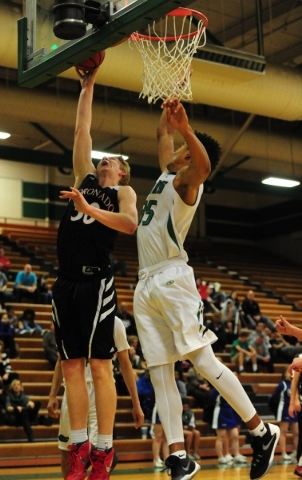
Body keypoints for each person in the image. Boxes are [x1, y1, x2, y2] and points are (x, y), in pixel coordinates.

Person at [133, 97, 280, 480]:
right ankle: (179, 458)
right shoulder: (168, 173)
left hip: (171, 277)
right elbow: (161, 133)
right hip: (146, 281)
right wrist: (169, 111)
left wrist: (186, 130)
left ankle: (261, 432)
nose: (176, 153)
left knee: (203, 361)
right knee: (160, 371)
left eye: (182, 150)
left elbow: (204, 165)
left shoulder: (187, 182)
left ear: (187, 155)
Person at [52, 67, 137, 480]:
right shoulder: (83, 177)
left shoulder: (122, 193)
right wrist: (89, 84)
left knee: (101, 366)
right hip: (65, 281)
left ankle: (104, 448)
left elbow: (130, 225)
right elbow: (81, 129)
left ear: (122, 172)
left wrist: (89, 210)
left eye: (115, 160)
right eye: (105, 156)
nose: (106, 159)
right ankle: (80, 445)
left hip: (96, 282)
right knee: (71, 367)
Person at [47, 317, 144, 479]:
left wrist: (136, 403)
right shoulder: (69, 317)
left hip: (101, 391)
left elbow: (125, 364)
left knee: (97, 452)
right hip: (73, 390)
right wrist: (52, 394)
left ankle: (107, 461)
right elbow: (61, 360)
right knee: (67, 452)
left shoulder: (115, 322)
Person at [269, 367, 298, 463]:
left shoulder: (296, 384)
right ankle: (283, 453)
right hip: (284, 410)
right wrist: (276, 411)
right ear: (285, 374)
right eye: (289, 372)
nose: (291, 374)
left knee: (296, 432)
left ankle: (296, 451)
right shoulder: (282, 385)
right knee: (284, 432)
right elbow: (274, 399)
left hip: (294, 411)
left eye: (292, 372)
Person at [150, 404, 169, 469]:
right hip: (160, 407)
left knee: (167, 436)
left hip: (169, 408)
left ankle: (166, 458)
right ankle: (156, 459)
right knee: (158, 436)